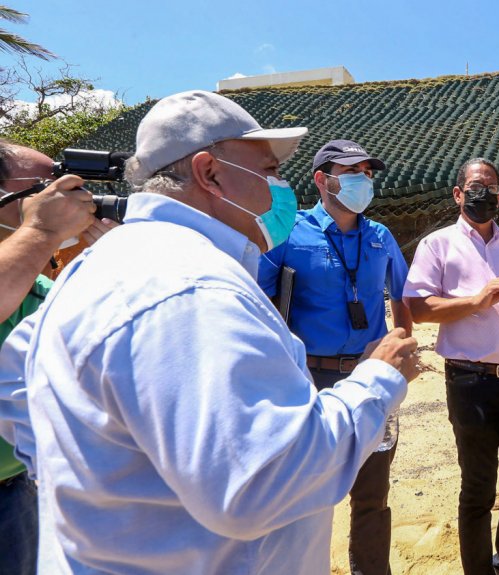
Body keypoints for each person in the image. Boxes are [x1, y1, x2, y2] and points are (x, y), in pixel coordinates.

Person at [0, 90, 419, 574]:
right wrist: (378, 378)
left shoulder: (105, 266)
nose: (279, 188)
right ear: (209, 173)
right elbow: (262, 481)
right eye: (269, 171)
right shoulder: (189, 287)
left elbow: (16, 395)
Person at [258, 138, 411, 575]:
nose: (364, 181)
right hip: (309, 379)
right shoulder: (289, 233)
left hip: (371, 380)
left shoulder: (380, 236)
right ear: (322, 180)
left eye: (367, 173)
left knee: (372, 493)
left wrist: (399, 342)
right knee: (306, 492)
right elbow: (261, 297)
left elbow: (402, 296)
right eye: (352, 173)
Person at [404, 157, 499, 575]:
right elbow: (418, 306)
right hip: (471, 382)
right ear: (458, 193)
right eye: (474, 185)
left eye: (489, 186)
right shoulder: (438, 244)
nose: (482, 193)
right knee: (479, 488)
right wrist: (477, 301)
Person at [0, 141, 102, 575]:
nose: (63, 199)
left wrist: (108, 259)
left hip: (15, 488)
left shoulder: (33, 280)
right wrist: (40, 232)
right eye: (43, 187)